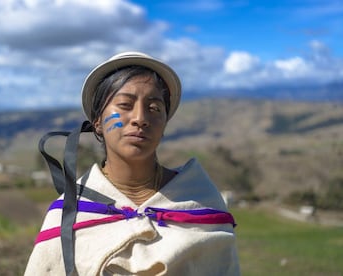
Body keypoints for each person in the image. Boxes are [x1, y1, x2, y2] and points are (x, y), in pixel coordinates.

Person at [25, 52, 240, 275]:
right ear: (97, 121)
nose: (140, 118)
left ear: (164, 123)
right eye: (125, 105)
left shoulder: (200, 201)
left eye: (155, 108)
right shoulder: (69, 214)